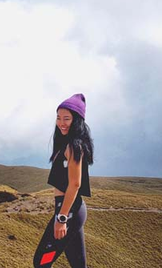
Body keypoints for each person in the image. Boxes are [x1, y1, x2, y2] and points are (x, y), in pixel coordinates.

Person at [33, 93, 94, 268]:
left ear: (77, 120)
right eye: (58, 118)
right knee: (78, 265)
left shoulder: (73, 146)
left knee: (41, 263)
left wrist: (61, 218)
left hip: (69, 211)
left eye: (66, 118)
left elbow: (75, 184)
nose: (61, 123)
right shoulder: (66, 144)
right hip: (71, 210)